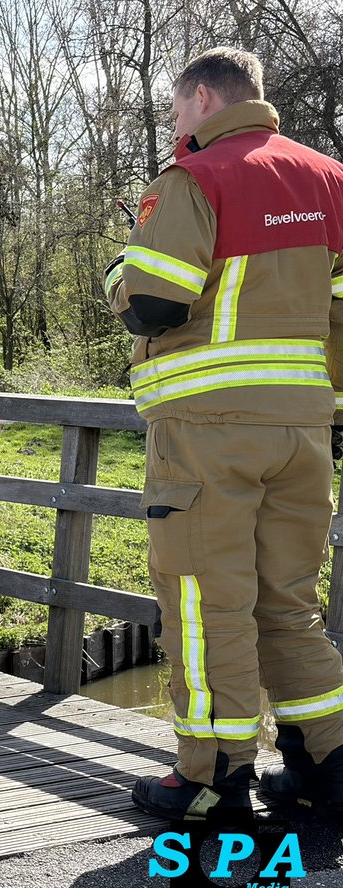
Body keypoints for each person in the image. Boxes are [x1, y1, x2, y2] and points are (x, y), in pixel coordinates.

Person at [104, 47, 343, 822]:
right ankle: (326, 768)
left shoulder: (196, 178)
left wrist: (118, 271)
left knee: (208, 605)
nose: (176, 124)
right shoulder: (332, 181)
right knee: (289, 605)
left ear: (203, 97)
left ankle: (213, 780)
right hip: (304, 431)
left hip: (209, 433)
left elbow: (155, 304)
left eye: (177, 110)